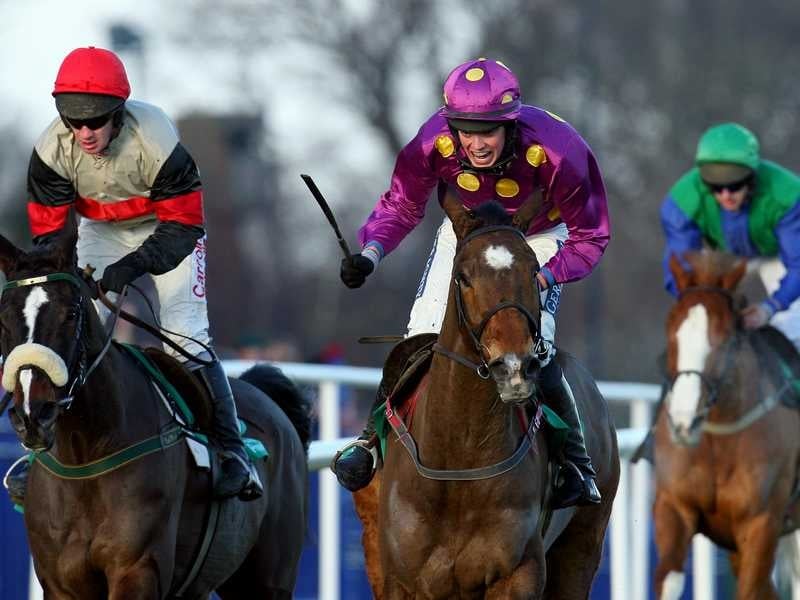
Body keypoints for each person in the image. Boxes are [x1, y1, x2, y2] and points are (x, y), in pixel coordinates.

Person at [333, 58, 610, 509]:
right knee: (421, 332)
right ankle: (369, 441)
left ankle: (574, 461)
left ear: (511, 124)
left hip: (539, 235)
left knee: (531, 342)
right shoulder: (432, 142)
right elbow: (402, 206)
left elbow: (591, 235)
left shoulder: (560, 151)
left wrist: (541, 278)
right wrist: (370, 255)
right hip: (468, 230)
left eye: (488, 132)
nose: (476, 144)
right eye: (465, 131)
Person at [5, 46, 261, 503]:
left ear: (119, 113)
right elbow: (51, 244)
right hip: (99, 231)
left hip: (168, 229)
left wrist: (130, 267)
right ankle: (41, 452)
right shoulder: (50, 151)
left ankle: (231, 449)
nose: (84, 132)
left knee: (186, 337)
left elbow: (184, 226)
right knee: (70, 332)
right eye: (74, 121)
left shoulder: (156, 138)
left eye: (95, 121)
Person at [661, 123, 800, 344]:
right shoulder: (681, 204)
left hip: (779, 256)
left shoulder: (787, 196)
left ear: (752, 177)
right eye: (716, 186)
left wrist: (769, 308)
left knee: (794, 327)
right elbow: (680, 267)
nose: (726, 195)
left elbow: (797, 265)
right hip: (724, 257)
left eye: (735, 185)